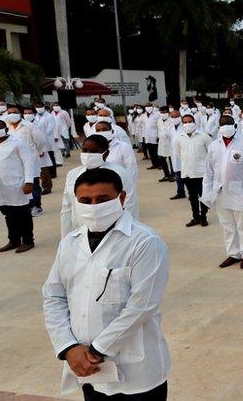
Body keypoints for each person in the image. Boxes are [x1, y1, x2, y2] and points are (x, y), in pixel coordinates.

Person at [42, 168, 170, 399]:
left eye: (102, 199)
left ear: (121, 198)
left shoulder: (144, 242)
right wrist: (68, 347)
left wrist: (96, 350)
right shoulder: (70, 243)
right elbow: (54, 296)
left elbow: (142, 305)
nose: (94, 206)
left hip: (135, 371)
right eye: (85, 201)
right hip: (87, 368)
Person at [203, 115, 243, 269]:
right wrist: (207, 192)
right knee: (227, 225)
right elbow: (208, 172)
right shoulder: (214, 146)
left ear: (235, 125)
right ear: (219, 127)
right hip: (220, 192)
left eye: (228, 123)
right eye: (223, 124)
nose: (226, 126)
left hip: (241, 191)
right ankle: (233, 253)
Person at [0, 118, 37, 253]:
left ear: (5, 129)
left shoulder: (17, 143)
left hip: (17, 185)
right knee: (8, 215)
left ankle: (28, 241)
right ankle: (13, 240)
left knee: (22, 214)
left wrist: (29, 181)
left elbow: (28, 162)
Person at [60, 135, 137, 237]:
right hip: (80, 232)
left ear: (106, 153)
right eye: (85, 150)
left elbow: (129, 206)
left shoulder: (120, 174)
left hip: (112, 232)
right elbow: (66, 209)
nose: (88, 154)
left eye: (94, 151)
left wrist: (126, 233)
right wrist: (65, 237)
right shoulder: (72, 174)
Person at [174, 114, 212, 227]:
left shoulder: (204, 136)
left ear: (194, 122)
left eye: (190, 121)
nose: (188, 124)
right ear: (182, 123)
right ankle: (195, 217)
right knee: (192, 197)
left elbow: (211, 154)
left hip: (201, 173)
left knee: (203, 196)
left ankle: (203, 217)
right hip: (187, 173)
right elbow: (177, 155)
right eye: (185, 122)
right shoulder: (179, 138)